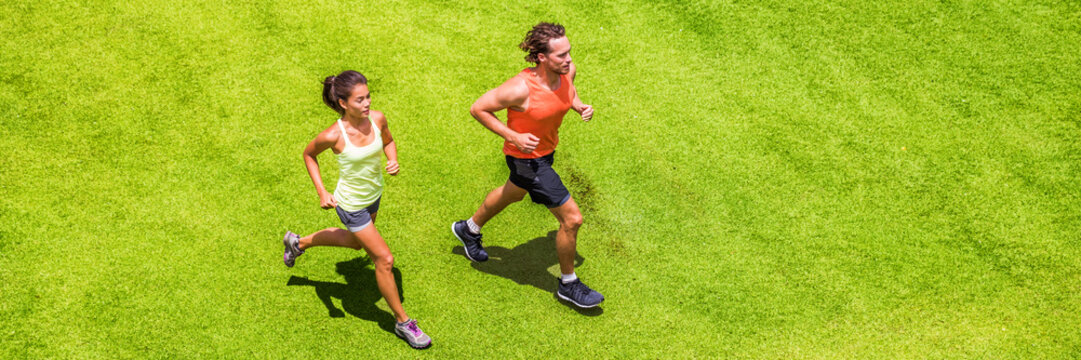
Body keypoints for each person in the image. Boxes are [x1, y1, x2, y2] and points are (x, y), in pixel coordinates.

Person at [451, 23, 604, 308]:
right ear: (542, 57)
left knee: (512, 193)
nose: (568, 59)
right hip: (526, 159)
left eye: (569, 52)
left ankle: (468, 229)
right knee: (572, 219)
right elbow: (478, 108)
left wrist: (580, 106)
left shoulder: (565, 72)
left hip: (545, 152)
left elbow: (567, 92)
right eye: (561, 55)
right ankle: (568, 284)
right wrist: (513, 136)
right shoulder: (520, 88)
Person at [282, 70, 431, 349]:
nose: (367, 104)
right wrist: (322, 191)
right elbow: (309, 155)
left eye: (368, 97)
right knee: (384, 259)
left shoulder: (377, 119)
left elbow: (388, 141)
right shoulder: (333, 135)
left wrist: (393, 160)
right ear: (343, 103)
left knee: (354, 244)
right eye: (360, 100)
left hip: (374, 195)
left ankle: (298, 242)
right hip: (350, 205)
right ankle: (402, 322)